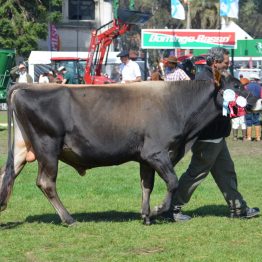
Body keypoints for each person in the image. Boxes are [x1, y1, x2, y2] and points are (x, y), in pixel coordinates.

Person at [172, 47, 260, 221]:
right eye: (226, 63)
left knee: (226, 172)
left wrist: (243, 107)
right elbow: (216, 107)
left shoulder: (216, 76)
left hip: (217, 136)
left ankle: (238, 209)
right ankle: (171, 207)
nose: (229, 65)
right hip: (208, 137)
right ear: (215, 62)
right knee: (195, 174)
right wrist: (242, 109)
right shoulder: (205, 79)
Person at [244, 73, 262, 141]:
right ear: (255, 79)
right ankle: (258, 137)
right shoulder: (260, 87)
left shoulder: (246, 86)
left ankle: (249, 137)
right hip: (257, 106)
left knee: (248, 121)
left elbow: (244, 96)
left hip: (248, 105)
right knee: (257, 121)